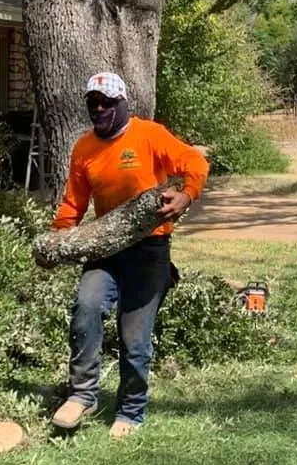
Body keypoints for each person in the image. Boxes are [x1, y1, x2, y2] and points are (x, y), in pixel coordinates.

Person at [50, 72, 209, 437]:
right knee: (86, 309)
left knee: (134, 336)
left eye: (107, 102)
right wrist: (58, 238)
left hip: (148, 249)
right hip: (105, 248)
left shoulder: (148, 134)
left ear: (122, 103)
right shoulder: (84, 148)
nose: (99, 109)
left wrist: (186, 195)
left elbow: (194, 163)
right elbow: (74, 202)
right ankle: (82, 395)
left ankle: (130, 411)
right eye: (93, 103)